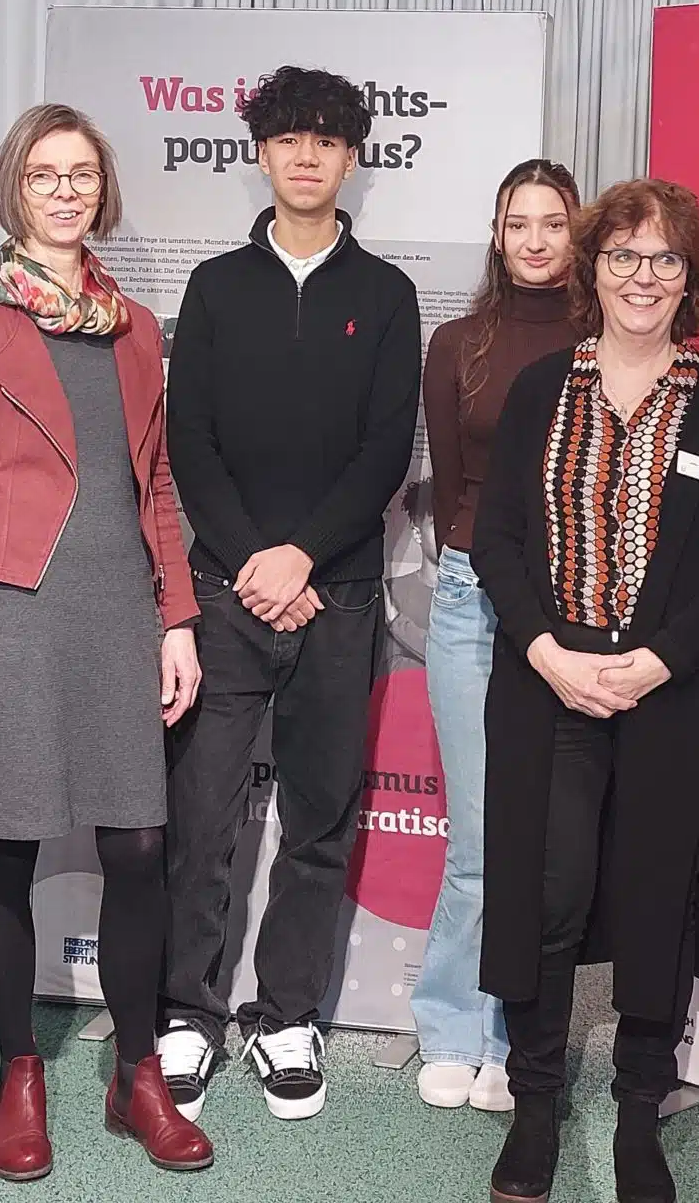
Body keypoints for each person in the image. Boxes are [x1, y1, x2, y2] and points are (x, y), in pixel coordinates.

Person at [0, 105, 211, 1179]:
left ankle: (138, 1076)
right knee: (9, 842)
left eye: (82, 174)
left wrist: (177, 615)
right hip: (6, 610)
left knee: (139, 846)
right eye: (45, 174)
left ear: (102, 190)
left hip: (119, 609)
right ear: (15, 188)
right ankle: (19, 1072)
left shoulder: (134, 326)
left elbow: (155, 484)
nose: (66, 191)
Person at [470, 178, 699, 1203]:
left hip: (669, 693)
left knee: (656, 898)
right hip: (547, 683)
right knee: (545, 900)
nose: (643, 277)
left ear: (689, 278)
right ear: (591, 270)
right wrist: (547, 651)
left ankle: (640, 1107)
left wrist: (658, 661)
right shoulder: (538, 390)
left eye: (664, 260)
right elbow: (496, 539)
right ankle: (536, 1103)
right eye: (623, 257)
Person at [160, 65, 422, 1122]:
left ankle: (288, 1016)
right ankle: (186, 1010)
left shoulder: (386, 294)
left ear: (352, 158)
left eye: (326, 140)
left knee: (318, 818)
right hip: (224, 592)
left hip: (338, 596)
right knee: (201, 817)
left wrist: (302, 558)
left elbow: (383, 453)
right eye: (287, 139)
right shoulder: (216, 286)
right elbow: (190, 441)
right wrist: (255, 563)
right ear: (261, 154)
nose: (306, 156)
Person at [412, 158, 583, 1114]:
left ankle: (519, 1039)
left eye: (552, 223)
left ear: (577, 232)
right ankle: (452, 1026)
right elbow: (451, 488)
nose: (534, 241)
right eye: (519, 223)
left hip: (572, 609)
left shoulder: (605, 339)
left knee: (547, 834)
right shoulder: (457, 343)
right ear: (496, 233)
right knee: (478, 833)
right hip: (474, 598)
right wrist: (480, 566)